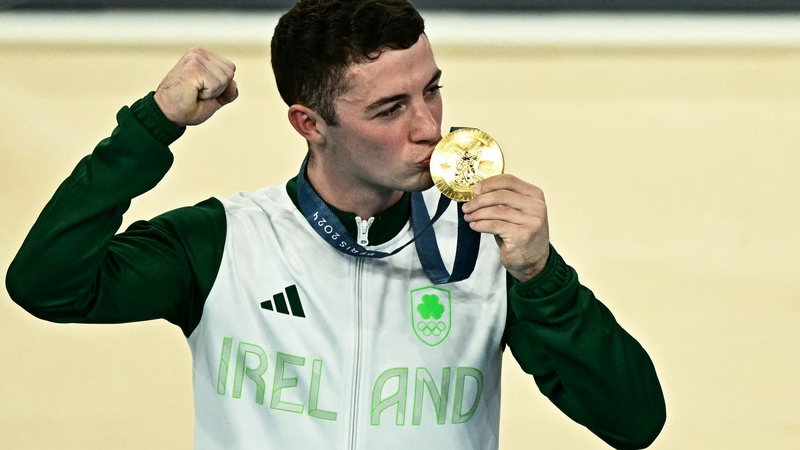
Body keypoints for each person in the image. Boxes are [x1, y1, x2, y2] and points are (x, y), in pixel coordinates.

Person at [5, 0, 666, 449]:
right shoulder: (224, 244)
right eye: (389, 109)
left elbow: (635, 422)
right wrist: (153, 125)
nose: (431, 127)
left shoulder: (487, 248)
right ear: (310, 124)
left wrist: (542, 279)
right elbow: (47, 284)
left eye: (432, 89)